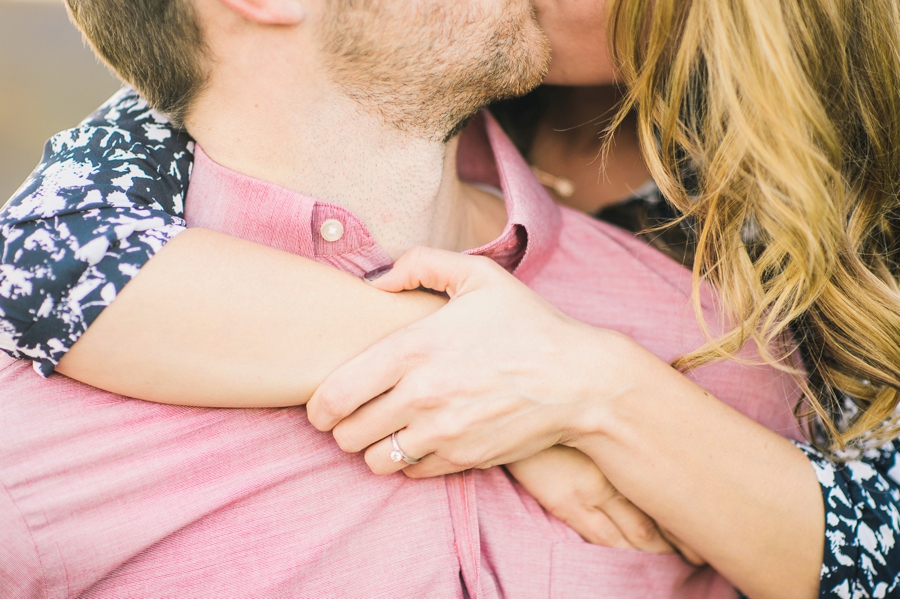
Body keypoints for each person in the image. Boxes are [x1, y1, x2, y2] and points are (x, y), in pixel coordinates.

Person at [1, 1, 897, 598]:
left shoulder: (739, 346)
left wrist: (593, 388)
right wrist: (464, 346)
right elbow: (45, 256)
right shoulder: (52, 410)